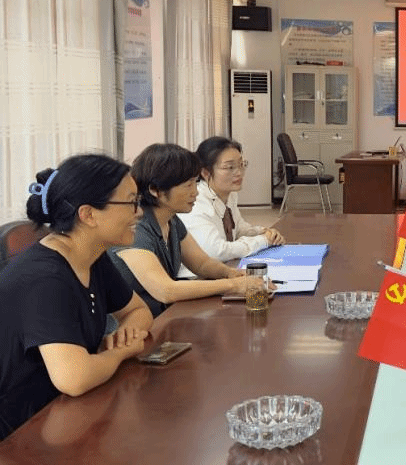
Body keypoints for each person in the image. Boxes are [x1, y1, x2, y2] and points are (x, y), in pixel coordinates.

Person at [0, 155, 154, 440]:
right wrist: (121, 352)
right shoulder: (45, 278)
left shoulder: (91, 255)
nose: (139, 213)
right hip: (19, 433)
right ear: (88, 214)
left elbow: (138, 310)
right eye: (131, 202)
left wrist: (125, 334)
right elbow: (74, 378)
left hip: (60, 415)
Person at [110, 143, 267, 318]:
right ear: (155, 190)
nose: (195, 192)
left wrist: (232, 274)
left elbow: (202, 264)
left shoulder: (171, 220)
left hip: (163, 317)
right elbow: (165, 290)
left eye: (195, 183)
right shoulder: (137, 228)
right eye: (187, 185)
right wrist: (233, 285)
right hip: (134, 325)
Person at [178, 136, 284, 277]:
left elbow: (238, 228)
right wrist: (262, 241)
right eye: (230, 167)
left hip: (225, 271)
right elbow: (216, 251)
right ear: (205, 173)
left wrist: (263, 232)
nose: (239, 172)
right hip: (195, 279)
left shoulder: (230, 194)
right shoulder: (196, 201)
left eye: (241, 164)